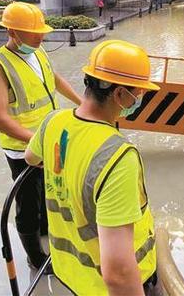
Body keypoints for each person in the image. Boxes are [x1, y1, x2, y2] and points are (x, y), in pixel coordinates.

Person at [25, 40, 159, 295]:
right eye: (138, 92)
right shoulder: (118, 156)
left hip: (71, 275)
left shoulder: (53, 122)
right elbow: (118, 273)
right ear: (120, 94)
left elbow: (31, 157)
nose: (140, 99)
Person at [0, 2, 82, 269]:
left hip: (48, 142)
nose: (41, 36)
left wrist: (80, 101)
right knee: (28, 204)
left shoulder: (38, 52)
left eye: (41, 31)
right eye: (33, 32)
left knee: (48, 190)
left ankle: (46, 230)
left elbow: (55, 78)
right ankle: (35, 257)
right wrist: (38, 142)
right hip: (22, 150)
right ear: (13, 32)